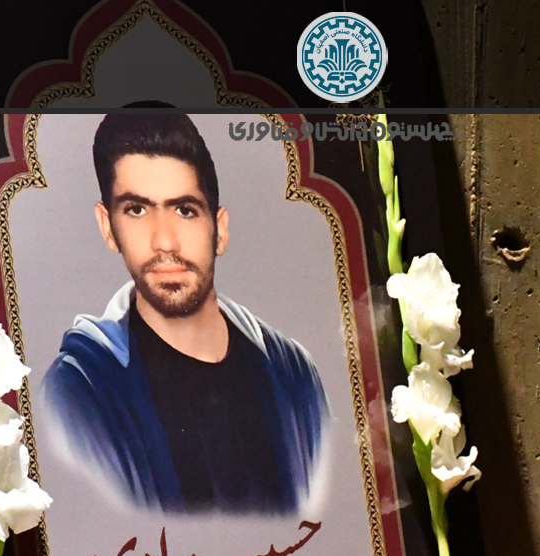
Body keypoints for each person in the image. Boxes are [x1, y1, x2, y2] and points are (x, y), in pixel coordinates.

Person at [42, 108, 328, 515]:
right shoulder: (80, 390)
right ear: (108, 227)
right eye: (137, 209)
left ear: (220, 229)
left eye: (185, 209)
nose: (164, 241)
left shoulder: (293, 374)